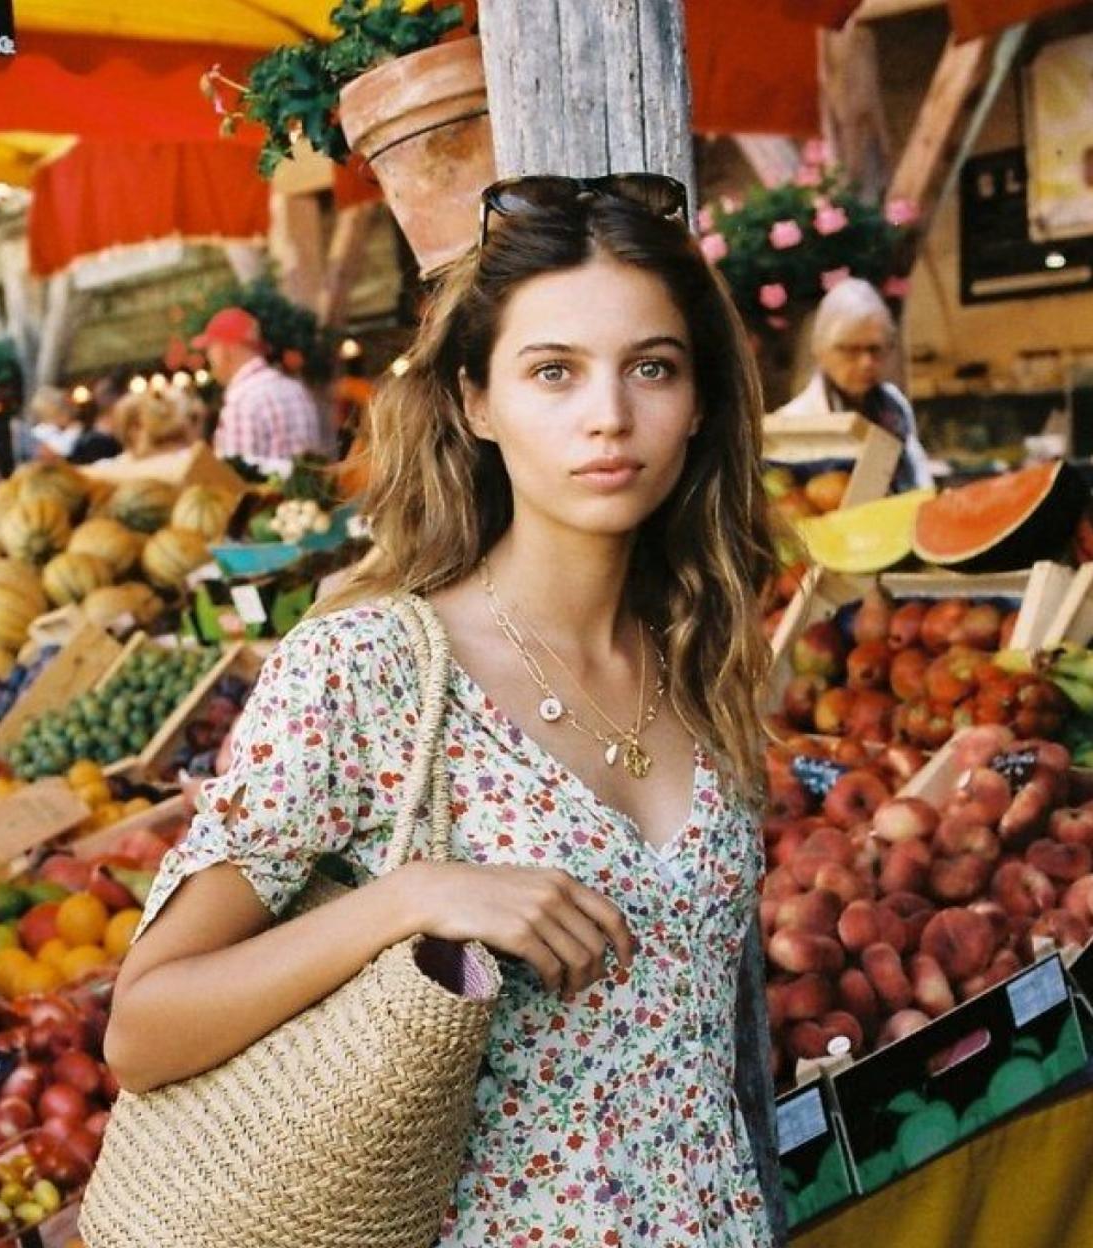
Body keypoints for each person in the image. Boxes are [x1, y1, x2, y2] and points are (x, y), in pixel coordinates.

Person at [105, 178, 783, 1247]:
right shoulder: (365, 669)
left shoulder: (709, 655)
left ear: (698, 402)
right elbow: (141, 1030)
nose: (609, 414)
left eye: (651, 367)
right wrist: (408, 898)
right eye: (552, 371)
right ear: (476, 401)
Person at [773, 277, 932, 491]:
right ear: (821, 351)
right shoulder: (792, 425)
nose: (866, 363)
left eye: (875, 349)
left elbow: (919, 475)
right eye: (851, 350)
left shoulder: (893, 404)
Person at [194, 307, 333, 464]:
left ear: (226, 350)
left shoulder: (242, 401)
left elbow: (234, 482)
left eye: (210, 349)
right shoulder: (296, 390)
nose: (209, 358)